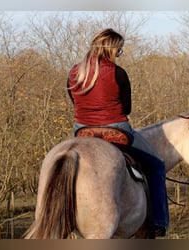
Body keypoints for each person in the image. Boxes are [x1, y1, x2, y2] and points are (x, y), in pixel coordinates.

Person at [67, 28, 169, 237]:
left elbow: (75, 102)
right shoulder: (118, 73)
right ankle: (159, 221)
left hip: (82, 132)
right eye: (119, 50)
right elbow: (127, 108)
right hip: (117, 131)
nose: (118, 54)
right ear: (112, 48)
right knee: (157, 165)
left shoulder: (73, 73)